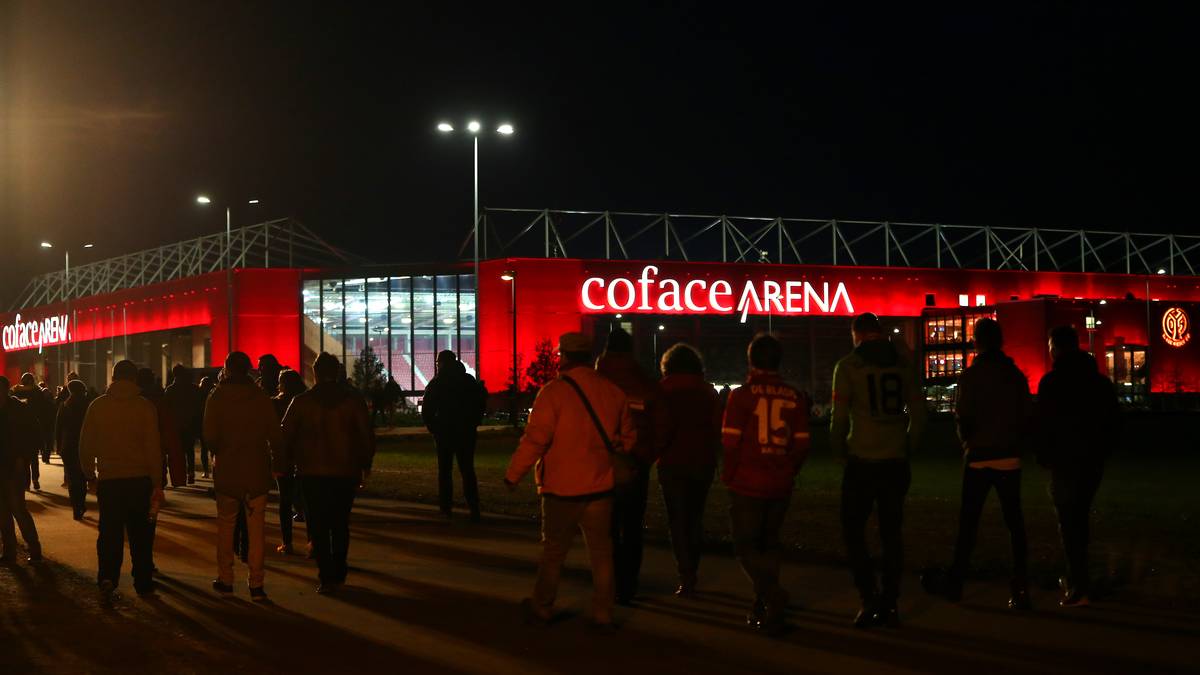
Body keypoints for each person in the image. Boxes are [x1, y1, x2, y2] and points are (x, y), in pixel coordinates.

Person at [504, 332, 636, 631]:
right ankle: (603, 611)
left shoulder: (553, 393)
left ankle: (543, 605)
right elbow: (628, 439)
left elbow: (535, 440)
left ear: (563, 356)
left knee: (554, 552)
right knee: (602, 553)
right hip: (600, 487)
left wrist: (514, 474)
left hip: (561, 488)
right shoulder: (612, 392)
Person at [929, 318, 1033, 609]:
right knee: (1015, 524)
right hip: (1008, 456)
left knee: (968, 524)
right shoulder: (1014, 375)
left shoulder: (971, 376)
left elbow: (963, 415)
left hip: (979, 456)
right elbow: (1026, 414)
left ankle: (956, 583)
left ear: (977, 342)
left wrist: (968, 442)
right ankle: (1020, 587)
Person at [830, 312, 925, 628]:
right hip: (895, 460)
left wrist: (839, 451)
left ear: (856, 334)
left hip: (862, 459)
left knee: (853, 531)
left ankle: (868, 597)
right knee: (891, 533)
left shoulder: (848, 366)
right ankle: (890, 600)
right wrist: (907, 446)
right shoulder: (903, 365)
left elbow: (839, 419)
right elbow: (920, 415)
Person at [721, 334, 810, 636]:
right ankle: (765, 606)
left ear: (751, 361)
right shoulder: (794, 396)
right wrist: (788, 469)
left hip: (747, 481)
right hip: (779, 481)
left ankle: (772, 596)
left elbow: (730, 443)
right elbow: (801, 444)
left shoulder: (741, 395)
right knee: (769, 543)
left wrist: (729, 475)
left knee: (745, 546)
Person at [1033, 325, 1121, 607]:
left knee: (1069, 523)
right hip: (1091, 461)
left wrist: (1044, 455)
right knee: (1079, 519)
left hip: (1064, 461)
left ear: (1056, 348)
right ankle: (1079, 579)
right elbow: (1113, 421)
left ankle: (1078, 584)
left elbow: (1042, 424)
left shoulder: (1051, 383)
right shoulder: (1099, 382)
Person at [278, 352, 375, 594]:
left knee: (318, 524)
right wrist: (365, 463)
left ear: (316, 373)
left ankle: (326, 575)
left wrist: (285, 462)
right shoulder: (352, 401)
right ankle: (339, 570)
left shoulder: (302, 402)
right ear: (337, 372)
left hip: (311, 471)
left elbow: (285, 435)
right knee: (340, 523)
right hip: (345, 470)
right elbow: (365, 434)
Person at [79, 360, 163, 598]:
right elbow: (153, 448)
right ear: (134, 379)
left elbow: (86, 445)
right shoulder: (145, 407)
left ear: (113, 378)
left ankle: (108, 576)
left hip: (110, 480)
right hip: (140, 480)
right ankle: (143, 581)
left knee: (110, 533)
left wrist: (89, 474)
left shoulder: (98, 406)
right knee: (141, 535)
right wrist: (157, 482)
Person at [204, 351, 282, 601]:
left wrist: (220, 451)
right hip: (255, 470)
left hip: (228, 470)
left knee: (226, 527)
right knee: (256, 530)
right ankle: (256, 584)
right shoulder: (260, 397)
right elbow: (274, 433)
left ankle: (226, 579)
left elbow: (210, 436)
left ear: (227, 368)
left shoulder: (217, 396)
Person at [594, 328, 659, 605]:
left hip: (601, 462)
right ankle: (628, 585)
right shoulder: (643, 381)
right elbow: (661, 422)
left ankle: (607, 583)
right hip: (634, 463)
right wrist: (646, 454)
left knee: (605, 527)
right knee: (632, 527)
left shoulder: (595, 381)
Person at [650, 342, 721, 598]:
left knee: (678, 519)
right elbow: (717, 428)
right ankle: (693, 567)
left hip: (672, 462)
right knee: (695, 517)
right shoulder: (708, 392)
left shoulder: (662, 391)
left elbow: (658, 427)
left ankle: (686, 573)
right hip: (702, 462)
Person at [421, 350, 487, 521]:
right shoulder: (468, 381)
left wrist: (434, 428)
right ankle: (474, 507)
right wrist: (473, 422)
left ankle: (446, 508)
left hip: (444, 433)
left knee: (445, 471)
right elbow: (480, 403)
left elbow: (427, 410)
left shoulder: (437, 383)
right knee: (467, 470)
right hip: (466, 432)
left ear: (442, 363)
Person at [0, 376, 42, 563]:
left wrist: (22, 458)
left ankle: (33, 548)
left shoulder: (19, 409)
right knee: (3, 512)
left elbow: (34, 435)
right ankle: (10, 551)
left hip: (13, 467)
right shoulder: (18, 409)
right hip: (7, 465)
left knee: (18, 509)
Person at [273, 368, 308, 554]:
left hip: (283, 456)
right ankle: (312, 542)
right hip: (304, 456)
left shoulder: (276, 403)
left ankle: (287, 542)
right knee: (306, 499)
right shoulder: (305, 402)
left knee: (284, 500)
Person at [56, 379, 92, 520]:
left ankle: (76, 507)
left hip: (68, 445)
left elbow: (58, 428)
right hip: (84, 444)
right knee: (82, 477)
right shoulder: (88, 405)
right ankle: (81, 503)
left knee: (72, 477)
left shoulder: (65, 405)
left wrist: (59, 445)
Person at [164, 364, 203, 485]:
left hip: (175, 425)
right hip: (190, 423)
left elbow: (167, 408)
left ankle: (179, 476)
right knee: (190, 450)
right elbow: (198, 407)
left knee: (177, 451)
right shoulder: (193, 388)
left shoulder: (170, 390)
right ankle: (190, 473)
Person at [11, 373, 51, 490]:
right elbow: (43, 410)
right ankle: (35, 479)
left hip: (20, 429)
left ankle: (26, 482)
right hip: (34, 427)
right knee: (34, 457)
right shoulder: (37, 392)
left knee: (24, 458)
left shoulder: (16, 392)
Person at [197, 375, 216, 478]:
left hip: (202, 424)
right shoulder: (214, 393)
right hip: (213, 423)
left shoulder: (199, 395)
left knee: (204, 449)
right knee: (213, 449)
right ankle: (214, 470)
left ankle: (206, 471)